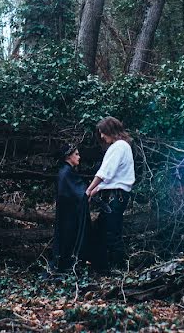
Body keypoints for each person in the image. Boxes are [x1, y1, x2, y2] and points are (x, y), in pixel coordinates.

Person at [86, 116, 135, 272]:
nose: (101, 136)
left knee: (111, 231)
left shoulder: (119, 146)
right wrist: (96, 190)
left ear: (110, 131)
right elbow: (113, 176)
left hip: (116, 196)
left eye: (102, 132)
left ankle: (118, 268)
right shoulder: (122, 146)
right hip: (116, 194)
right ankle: (106, 267)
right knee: (105, 229)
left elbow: (106, 172)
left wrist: (89, 189)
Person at [52, 144, 91, 273]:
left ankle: (68, 266)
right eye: (76, 154)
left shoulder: (66, 171)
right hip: (68, 215)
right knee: (68, 239)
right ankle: (66, 267)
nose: (79, 157)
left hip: (68, 214)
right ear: (68, 156)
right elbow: (77, 193)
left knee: (68, 238)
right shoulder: (66, 173)